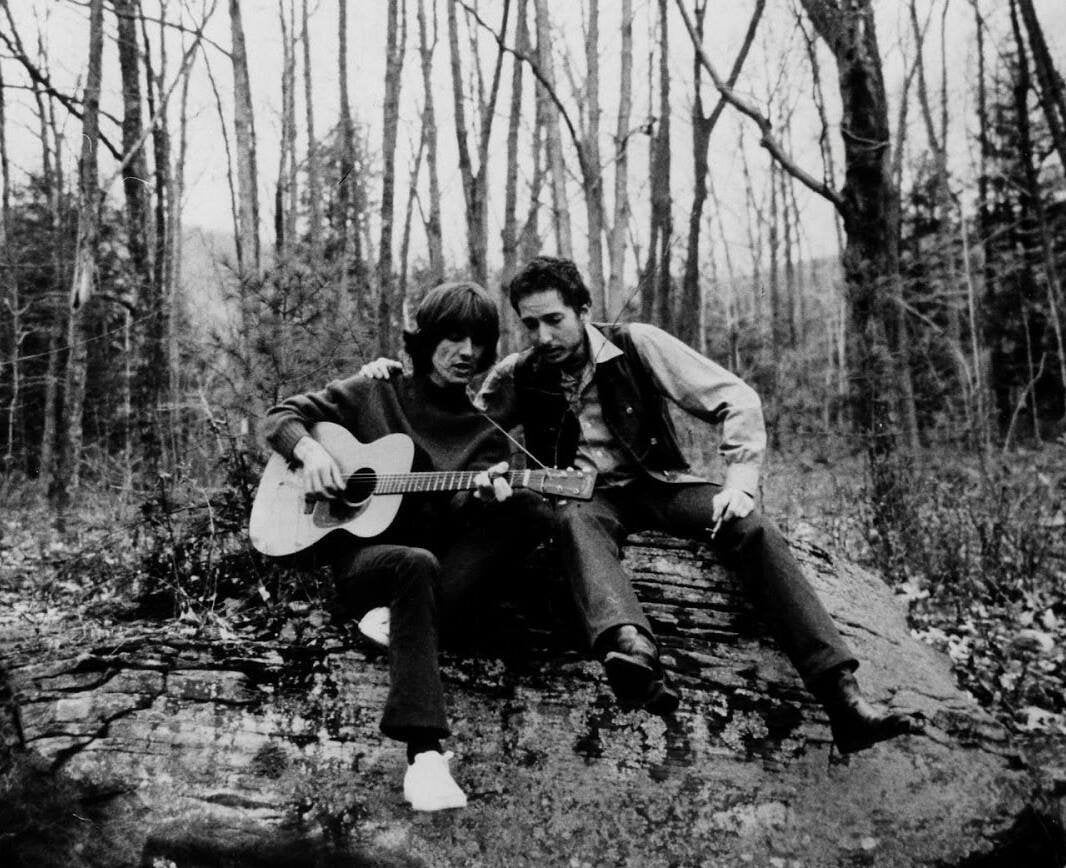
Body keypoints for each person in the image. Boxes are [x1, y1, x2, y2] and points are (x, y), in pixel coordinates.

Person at [363, 257, 922, 755]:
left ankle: (843, 698)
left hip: (660, 484)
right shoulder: (519, 373)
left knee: (747, 527)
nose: (544, 335)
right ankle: (630, 651)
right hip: (588, 498)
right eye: (530, 324)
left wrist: (740, 481)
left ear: (583, 309)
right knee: (570, 516)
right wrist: (389, 380)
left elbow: (735, 397)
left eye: (554, 319)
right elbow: (455, 416)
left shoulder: (638, 343)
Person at [263, 281, 551, 811]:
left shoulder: (484, 433)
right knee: (412, 563)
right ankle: (425, 756)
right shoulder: (376, 392)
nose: (468, 353)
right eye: (453, 337)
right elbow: (279, 416)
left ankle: (405, 628)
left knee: (528, 510)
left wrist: (485, 499)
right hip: (367, 566)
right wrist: (309, 451)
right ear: (423, 339)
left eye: (480, 341)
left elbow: (468, 523)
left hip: (439, 578)